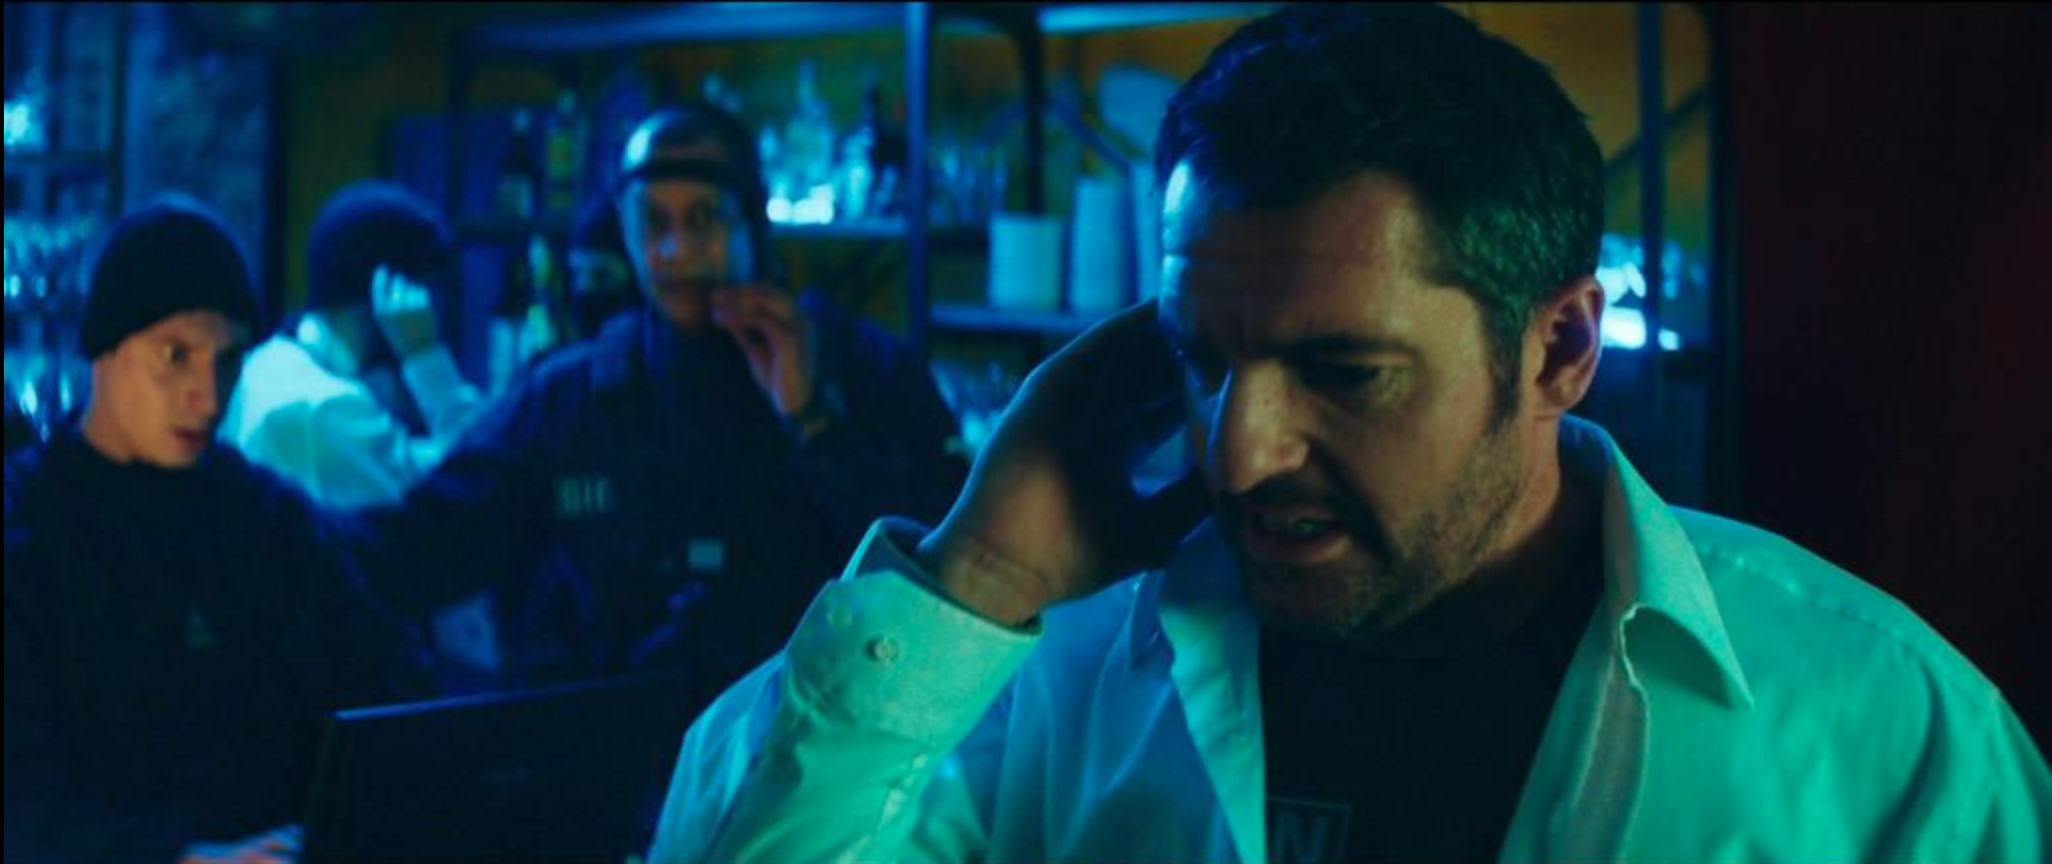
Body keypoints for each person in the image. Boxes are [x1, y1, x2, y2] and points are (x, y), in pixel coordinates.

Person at [645, 5, 2052, 863]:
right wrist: (979, 578)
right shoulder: (1059, 676)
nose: (1239, 452)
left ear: (1561, 349)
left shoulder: (1879, 730)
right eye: (1202, 360)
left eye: (1345, 371)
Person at [343, 101, 968, 700]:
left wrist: (816, 424)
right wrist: (290, 535)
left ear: (752, 219)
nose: (675, 252)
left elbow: (955, 575)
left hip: (822, 753)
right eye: (653, 223)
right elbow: (425, 546)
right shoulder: (573, 396)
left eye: (703, 219)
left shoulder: (864, 366)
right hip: (620, 755)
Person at [4, 197, 432, 864]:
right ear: (105, 348)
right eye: (175, 355)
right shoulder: (28, 527)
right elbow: (20, 801)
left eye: (228, 360)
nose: (206, 395)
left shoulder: (264, 515)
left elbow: (391, 684)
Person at [220, 180, 487, 511]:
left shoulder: (272, 363)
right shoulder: (324, 410)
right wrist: (426, 357)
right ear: (390, 295)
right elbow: (475, 492)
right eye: (429, 295)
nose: (433, 317)